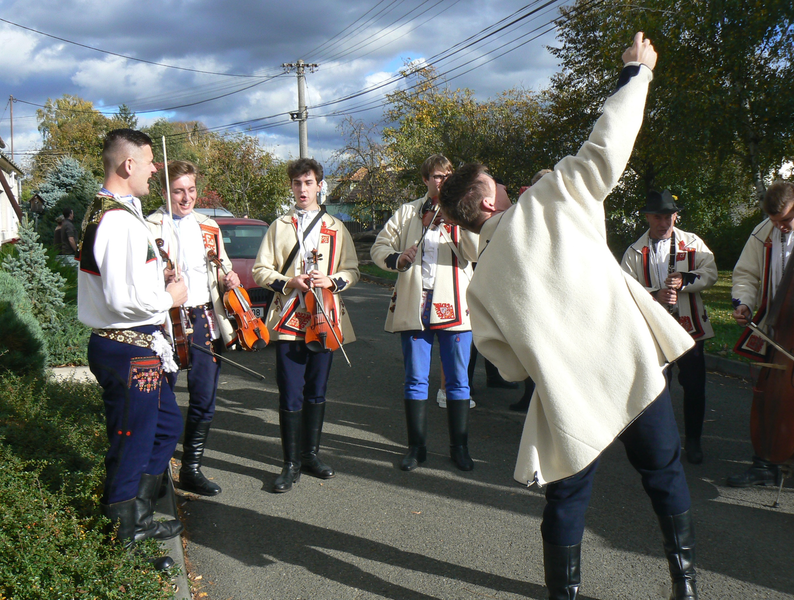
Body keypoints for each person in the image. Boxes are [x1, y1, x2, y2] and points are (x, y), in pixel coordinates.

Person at [439, 34, 699, 600]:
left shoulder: (479, 282)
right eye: (497, 185)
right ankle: (687, 587)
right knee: (665, 475)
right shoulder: (548, 198)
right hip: (628, 366)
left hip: (565, 395)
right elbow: (607, 145)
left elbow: (506, 367)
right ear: (486, 202)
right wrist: (636, 74)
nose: (506, 186)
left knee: (566, 499)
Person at [78, 128, 189, 571]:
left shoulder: (117, 212)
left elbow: (124, 284)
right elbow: (124, 298)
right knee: (132, 440)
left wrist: (156, 283)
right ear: (127, 165)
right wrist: (170, 297)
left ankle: (138, 516)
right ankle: (122, 545)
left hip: (138, 346)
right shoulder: (118, 220)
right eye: (148, 161)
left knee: (164, 427)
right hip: (128, 349)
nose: (154, 168)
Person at [252, 158, 359, 493]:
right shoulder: (279, 225)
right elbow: (260, 270)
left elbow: (353, 270)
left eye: (308, 182)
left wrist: (331, 280)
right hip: (288, 320)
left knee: (317, 390)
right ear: (292, 186)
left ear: (319, 185)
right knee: (290, 390)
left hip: (324, 319)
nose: (302, 189)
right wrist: (288, 281)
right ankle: (290, 463)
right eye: (297, 183)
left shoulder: (335, 227)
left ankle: (311, 455)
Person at [370, 154, 479, 472]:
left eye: (446, 177)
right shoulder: (407, 212)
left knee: (458, 382)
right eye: (434, 176)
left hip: (455, 307)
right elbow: (379, 247)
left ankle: (460, 448)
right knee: (415, 380)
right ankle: (416, 449)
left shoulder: (462, 211)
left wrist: (457, 221)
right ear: (425, 180)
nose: (440, 182)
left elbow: (474, 252)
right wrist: (397, 259)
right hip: (415, 306)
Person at [146, 160, 240, 496]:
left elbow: (222, 266)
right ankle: (155, 471)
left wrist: (228, 278)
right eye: (178, 191)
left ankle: (191, 468)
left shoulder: (208, 226)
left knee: (204, 395)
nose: (186, 198)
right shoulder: (150, 227)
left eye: (191, 190)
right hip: (166, 319)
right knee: (161, 396)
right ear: (164, 191)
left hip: (203, 317)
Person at [621, 190, 717, 464]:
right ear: (648, 217)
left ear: (676, 216)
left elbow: (710, 273)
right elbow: (624, 288)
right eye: (658, 217)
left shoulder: (693, 243)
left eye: (668, 217)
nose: (664, 223)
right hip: (653, 330)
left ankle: (694, 441)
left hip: (690, 328)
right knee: (657, 387)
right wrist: (654, 295)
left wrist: (686, 279)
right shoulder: (634, 251)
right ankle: (659, 442)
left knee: (695, 386)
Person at [726, 179, 794, 488]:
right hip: (774, 329)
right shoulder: (763, 232)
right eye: (776, 221)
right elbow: (746, 274)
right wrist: (743, 304)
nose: (781, 227)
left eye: (787, 221)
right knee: (768, 395)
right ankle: (764, 462)